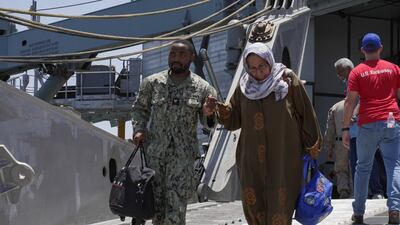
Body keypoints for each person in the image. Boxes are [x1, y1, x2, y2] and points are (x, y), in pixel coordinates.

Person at [210, 42, 322, 225]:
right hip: (251, 161)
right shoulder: (244, 86)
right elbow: (233, 120)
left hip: (283, 159)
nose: (257, 72)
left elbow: (306, 113)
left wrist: (312, 145)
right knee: (255, 209)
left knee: (281, 208)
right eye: (252, 68)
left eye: (262, 66)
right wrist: (218, 110)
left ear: (269, 61)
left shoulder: (286, 79)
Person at [131, 39, 217, 225]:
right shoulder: (152, 83)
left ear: (192, 58)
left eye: (182, 54)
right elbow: (140, 108)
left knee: (176, 208)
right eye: (173, 54)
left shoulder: (203, 88)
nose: (176, 58)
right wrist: (139, 130)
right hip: (155, 155)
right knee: (156, 209)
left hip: (183, 159)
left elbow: (210, 125)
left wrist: (208, 113)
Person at [342, 33, 400, 224]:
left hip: (367, 123)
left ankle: (358, 213)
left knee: (363, 168)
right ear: (380, 48)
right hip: (391, 120)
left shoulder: (357, 72)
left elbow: (350, 102)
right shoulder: (393, 69)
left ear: (362, 50)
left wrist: (345, 129)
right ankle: (395, 210)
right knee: (394, 165)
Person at [334, 58, 387, 199]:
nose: (338, 75)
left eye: (340, 71)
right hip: (354, 132)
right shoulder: (350, 82)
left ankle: (377, 191)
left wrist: (354, 116)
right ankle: (362, 193)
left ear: (348, 68)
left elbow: (364, 99)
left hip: (366, 128)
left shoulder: (360, 77)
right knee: (357, 163)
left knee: (370, 162)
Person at [322, 99, 352, 199]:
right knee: (355, 167)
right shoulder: (358, 105)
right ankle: (354, 191)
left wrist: (329, 148)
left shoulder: (335, 107)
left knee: (341, 168)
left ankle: (344, 191)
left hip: (340, 142)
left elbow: (330, 130)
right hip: (356, 140)